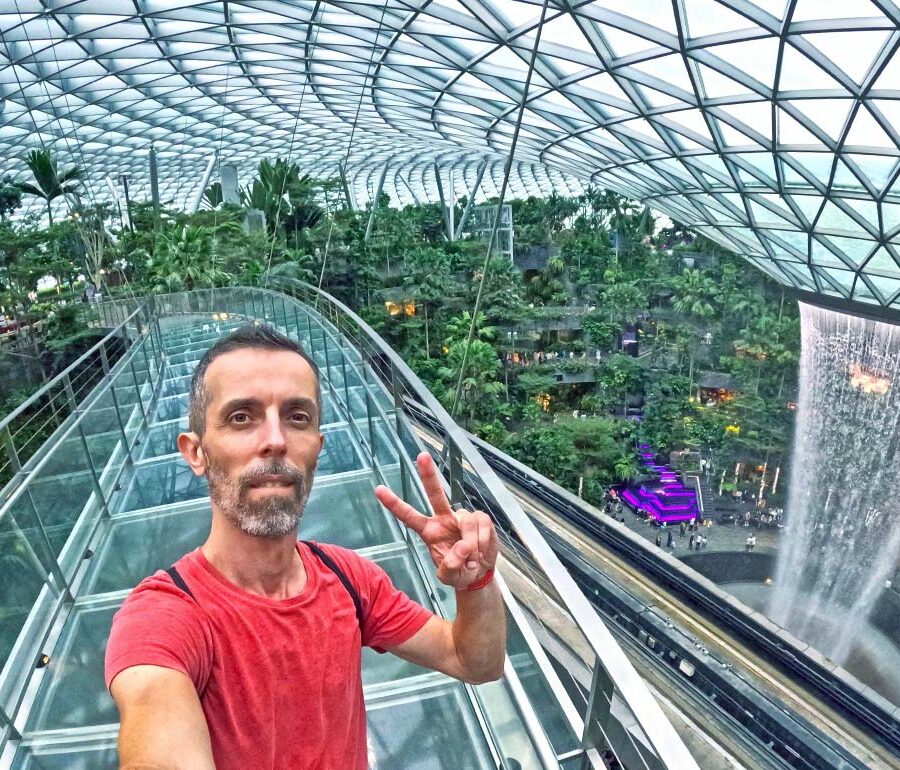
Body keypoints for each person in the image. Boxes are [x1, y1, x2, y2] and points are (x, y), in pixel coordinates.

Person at [103, 325, 506, 770]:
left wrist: (477, 581)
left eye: (297, 417)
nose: (275, 440)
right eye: (242, 417)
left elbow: (473, 661)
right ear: (195, 452)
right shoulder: (165, 617)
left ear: (317, 446)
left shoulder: (350, 579)